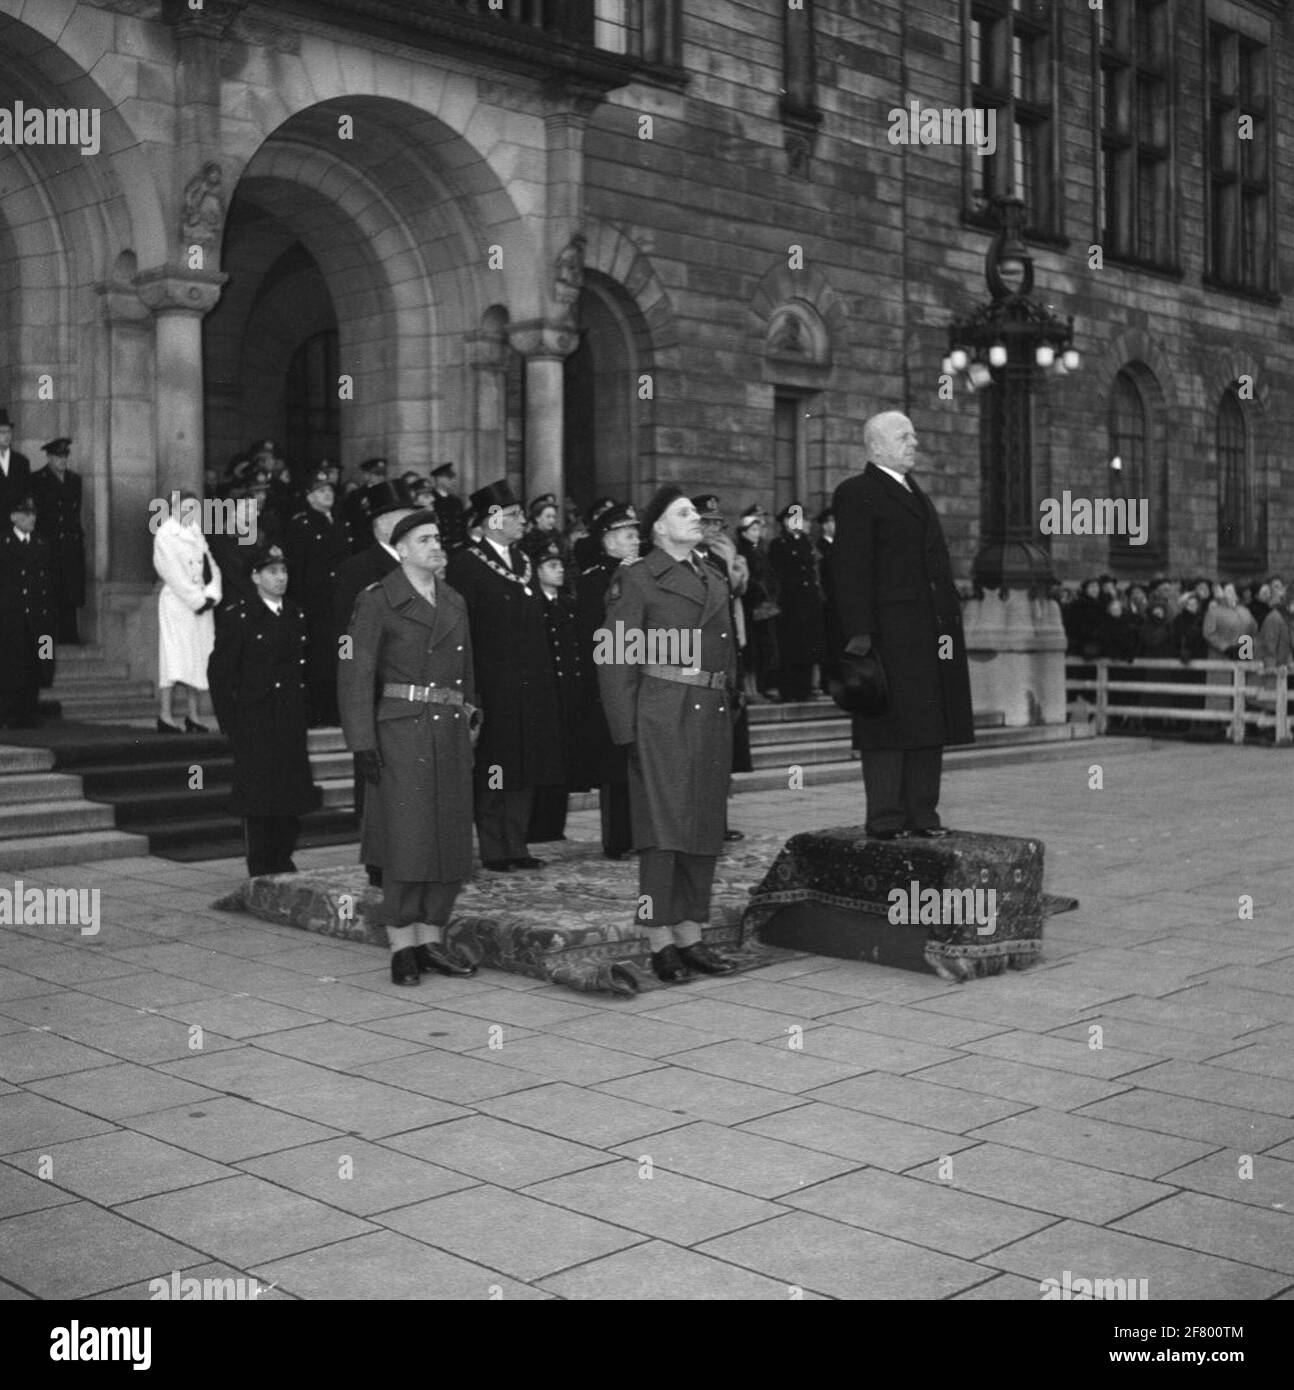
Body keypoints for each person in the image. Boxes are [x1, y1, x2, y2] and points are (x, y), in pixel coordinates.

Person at [599, 487, 738, 983]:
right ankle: (658, 938)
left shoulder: (712, 574)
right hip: (662, 712)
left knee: (703, 826)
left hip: (709, 711)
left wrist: (732, 700)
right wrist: (626, 730)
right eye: (683, 512)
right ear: (658, 527)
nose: (696, 517)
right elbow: (616, 657)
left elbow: (726, 647)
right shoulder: (637, 578)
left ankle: (691, 934)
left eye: (695, 511)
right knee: (662, 832)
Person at [338, 510, 480, 985]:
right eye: (425, 540)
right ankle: (402, 943)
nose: (437, 546)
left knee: (449, 837)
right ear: (401, 550)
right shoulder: (378, 600)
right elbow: (355, 673)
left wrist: (473, 715)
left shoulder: (456, 600)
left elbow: (468, 671)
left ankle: (432, 937)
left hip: (450, 731)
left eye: (439, 538)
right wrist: (362, 741)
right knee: (407, 837)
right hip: (401, 731)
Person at [831, 411, 974, 839]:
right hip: (888, 634)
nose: (915, 441)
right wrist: (859, 634)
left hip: (929, 631)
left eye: (914, 433)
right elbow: (849, 566)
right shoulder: (857, 492)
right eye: (904, 435)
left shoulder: (914, 492)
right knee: (887, 727)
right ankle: (886, 819)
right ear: (876, 446)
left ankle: (922, 815)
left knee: (929, 723)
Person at [445, 479, 564, 872]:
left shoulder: (525, 563)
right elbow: (463, 632)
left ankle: (518, 843)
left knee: (524, 767)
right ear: (492, 519)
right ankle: (495, 848)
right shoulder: (466, 564)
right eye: (514, 516)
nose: (522, 523)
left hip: (530, 688)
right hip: (493, 687)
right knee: (495, 767)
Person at [207, 542, 316, 877]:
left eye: (283, 571)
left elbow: (303, 670)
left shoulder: (295, 614)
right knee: (258, 795)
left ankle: (284, 856)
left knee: (290, 792)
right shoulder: (239, 616)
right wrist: (231, 722)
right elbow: (221, 673)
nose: (280, 577)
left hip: (289, 718)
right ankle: (261, 863)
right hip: (255, 720)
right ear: (255, 576)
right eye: (272, 571)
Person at [332, 480, 416, 888]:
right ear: (384, 525)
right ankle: (378, 860)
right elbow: (349, 642)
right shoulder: (357, 569)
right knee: (375, 780)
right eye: (404, 519)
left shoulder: (417, 567)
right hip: (378, 694)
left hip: (415, 692)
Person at [575, 502, 639, 859]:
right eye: (628, 535)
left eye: (636, 535)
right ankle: (618, 840)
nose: (635, 541)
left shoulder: (640, 573)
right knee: (615, 768)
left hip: (640, 676)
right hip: (609, 681)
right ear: (609, 540)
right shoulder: (595, 579)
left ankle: (642, 833)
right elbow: (594, 634)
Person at [522, 534, 586, 843]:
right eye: (551, 564)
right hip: (543, 695)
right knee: (543, 762)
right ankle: (537, 827)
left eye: (560, 563)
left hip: (568, 695)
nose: (559, 569)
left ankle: (554, 826)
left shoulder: (568, 605)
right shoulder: (532, 605)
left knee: (564, 761)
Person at [286, 468, 352, 726]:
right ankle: (316, 711)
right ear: (310, 497)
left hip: (338, 601)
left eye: (329, 491)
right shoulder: (302, 523)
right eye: (321, 491)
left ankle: (335, 710)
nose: (328, 495)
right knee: (316, 659)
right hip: (315, 602)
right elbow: (299, 566)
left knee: (338, 658)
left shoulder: (340, 521)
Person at [153, 490, 221, 733]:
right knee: (174, 656)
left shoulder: (195, 532)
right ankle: (165, 715)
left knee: (197, 657)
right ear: (174, 508)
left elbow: (211, 564)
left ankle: (193, 716)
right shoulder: (165, 534)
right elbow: (171, 572)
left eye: (193, 508)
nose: (189, 513)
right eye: (185, 507)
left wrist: (213, 594)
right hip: (178, 602)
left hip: (200, 602)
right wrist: (196, 600)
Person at [0, 495, 55, 728]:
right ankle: (10, 712)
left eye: (33, 513)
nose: (32, 518)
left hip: (38, 617)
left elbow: (52, 582)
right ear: (14, 517)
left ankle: (30, 710)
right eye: (26, 513)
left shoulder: (42, 544)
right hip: (12, 616)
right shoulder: (4, 544)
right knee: (13, 664)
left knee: (39, 662)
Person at [768, 501, 826, 702]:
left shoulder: (807, 544)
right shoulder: (779, 544)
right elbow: (777, 574)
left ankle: (806, 688)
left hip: (809, 602)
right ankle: (790, 689)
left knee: (808, 647)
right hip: (790, 603)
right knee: (790, 647)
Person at [31, 437, 86, 644]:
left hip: (71, 541)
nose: (63, 460)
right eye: (58, 456)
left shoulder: (74, 480)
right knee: (51, 589)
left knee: (70, 588)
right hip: (50, 542)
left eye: (65, 456)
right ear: (49, 457)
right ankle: (50, 635)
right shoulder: (38, 479)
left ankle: (69, 633)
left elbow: (74, 512)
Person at [736, 505, 779, 699]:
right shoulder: (742, 551)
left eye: (758, 529)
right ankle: (751, 688)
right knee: (752, 650)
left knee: (766, 647)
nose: (757, 533)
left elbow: (770, 574)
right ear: (744, 532)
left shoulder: (760, 549)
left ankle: (762, 686)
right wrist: (759, 590)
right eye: (753, 529)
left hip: (764, 605)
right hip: (750, 606)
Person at [816, 507, 843, 694]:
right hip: (828, 603)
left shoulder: (841, 546)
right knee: (829, 644)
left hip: (842, 604)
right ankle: (828, 682)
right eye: (833, 521)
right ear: (825, 525)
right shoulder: (820, 547)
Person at [342, 457, 390, 547]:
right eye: (377, 474)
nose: (381, 478)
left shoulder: (389, 492)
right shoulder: (356, 495)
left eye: (383, 474)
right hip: (365, 540)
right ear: (366, 475)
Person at [430, 463, 469, 552]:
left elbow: (463, 525)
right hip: (441, 548)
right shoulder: (431, 500)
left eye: (453, 478)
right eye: (450, 478)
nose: (453, 481)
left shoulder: (456, 501)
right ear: (439, 479)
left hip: (459, 547)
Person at [0, 409, 32, 517]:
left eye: (9, 432)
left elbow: (27, 494)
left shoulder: (22, 462)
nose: (7, 436)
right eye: (2, 432)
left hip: (16, 522)